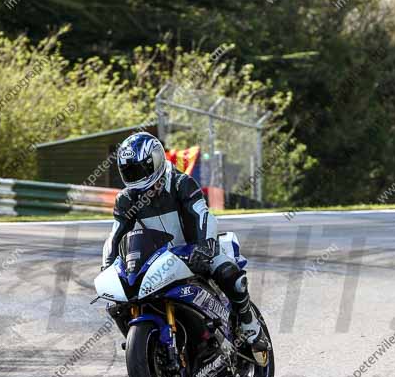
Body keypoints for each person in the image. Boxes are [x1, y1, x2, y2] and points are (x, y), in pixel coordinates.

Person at [101, 132, 269, 358]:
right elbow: (115, 235)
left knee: (229, 274)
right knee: (115, 303)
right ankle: (145, 349)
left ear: (157, 161)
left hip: (194, 249)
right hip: (155, 260)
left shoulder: (181, 183)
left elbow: (203, 216)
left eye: (140, 170)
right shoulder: (126, 199)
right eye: (130, 171)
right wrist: (108, 267)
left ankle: (249, 324)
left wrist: (204, 248)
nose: (136, 177)